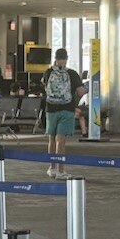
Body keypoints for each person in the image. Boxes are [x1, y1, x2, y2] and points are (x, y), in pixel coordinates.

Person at [42, 48, 83, 178]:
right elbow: (80, 92)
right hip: (67, 109)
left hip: (51, 109)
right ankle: (61, 170)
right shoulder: (72, 74)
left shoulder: (48, 72)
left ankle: (52, 168)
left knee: (51, 140)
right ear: (66, 58)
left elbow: (45, 88)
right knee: (61, 141)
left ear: (55, 58)